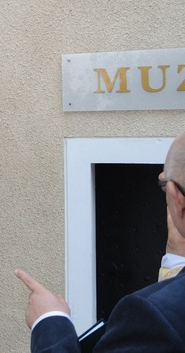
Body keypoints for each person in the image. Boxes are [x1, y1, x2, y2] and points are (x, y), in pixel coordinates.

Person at [15, 131, 185, 351]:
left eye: (164, 186)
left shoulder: (151, 316)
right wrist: (176, 262)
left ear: (176, 198)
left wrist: (49, 322)